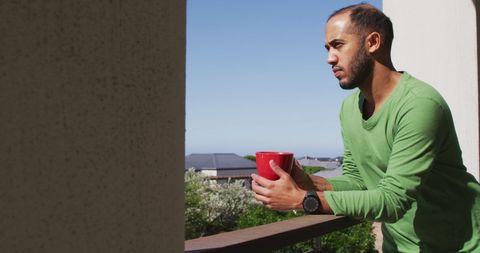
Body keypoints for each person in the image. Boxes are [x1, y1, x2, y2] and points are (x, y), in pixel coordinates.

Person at [251, 3, 480, 252]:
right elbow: (358, 180)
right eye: (327, 48)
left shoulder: (419, 104)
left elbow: (393, 201)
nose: (329, 58)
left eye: (338, 45)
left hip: (461, 246)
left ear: (372, 42)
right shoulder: (349, 108)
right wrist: (309, 183)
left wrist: (305, 200)